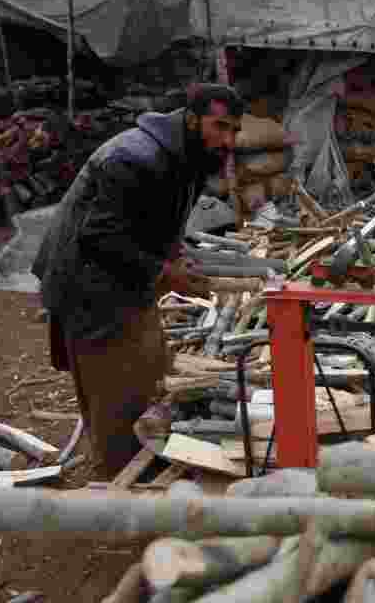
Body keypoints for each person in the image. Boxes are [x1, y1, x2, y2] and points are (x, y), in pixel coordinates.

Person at [32, 84, 244, 476]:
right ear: (193, 119)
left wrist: (175, 256)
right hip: (87, 282)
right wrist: (167, 273)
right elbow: (99, 236)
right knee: (113, 386)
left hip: (125, 276)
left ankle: (144, 456)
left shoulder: (192, 157)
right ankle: (119, 478)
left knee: (149, 368)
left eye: (234, 130)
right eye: (221, 126)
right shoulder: (134, 158)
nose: (228, 140)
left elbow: (164, 221)